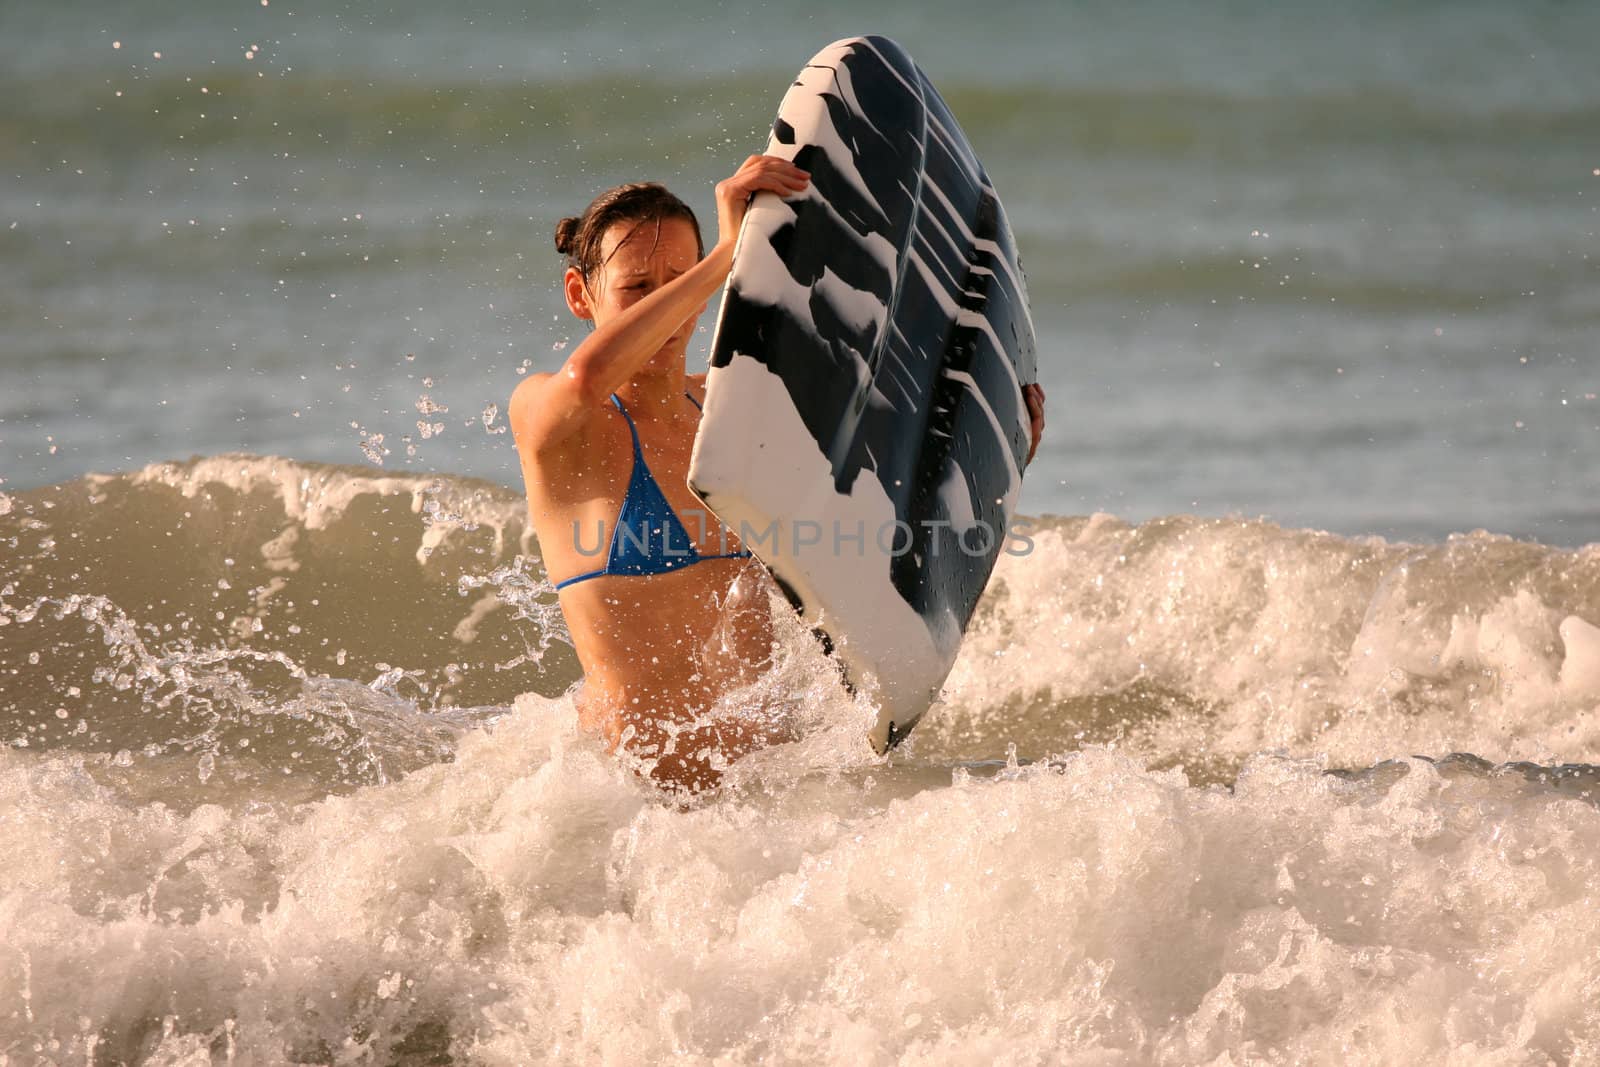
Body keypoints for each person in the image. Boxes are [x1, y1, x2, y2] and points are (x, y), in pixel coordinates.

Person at [509, 155, 1045, 792]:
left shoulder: (734, 410)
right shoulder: (560, 423)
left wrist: (989, 458)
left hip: (771, 799)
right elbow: (588, 377)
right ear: (580, 295)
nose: (669, 308)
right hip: (634, 807)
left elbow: (883, 510)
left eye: (678, 280)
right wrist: (725, 258)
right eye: (637, 289)